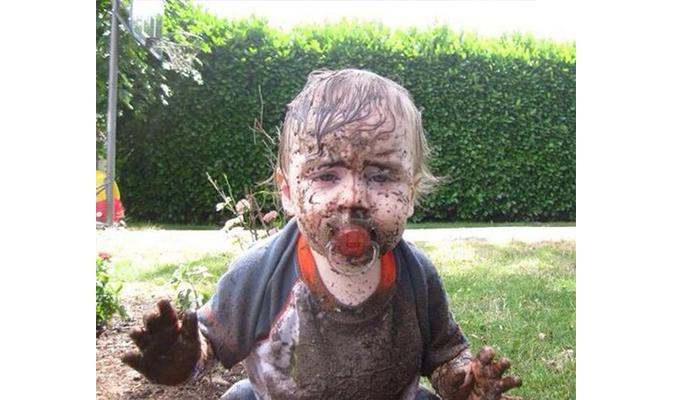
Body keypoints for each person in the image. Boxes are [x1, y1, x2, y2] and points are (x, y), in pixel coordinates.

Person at [122, 68, 523, 400]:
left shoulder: (417, 277)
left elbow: (445, 357)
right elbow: (208, 344)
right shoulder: (261, 273)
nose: (353, 198)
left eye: (382, 176)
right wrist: (181, 359)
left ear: (411, 194)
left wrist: (462, 383)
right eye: (327, 174)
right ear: (287, 192)